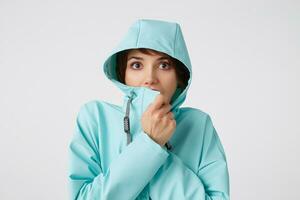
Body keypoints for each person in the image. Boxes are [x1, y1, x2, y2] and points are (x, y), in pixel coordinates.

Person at [68, 19, 230, 200]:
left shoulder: (199, 125)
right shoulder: (95, 117)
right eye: (137, 65)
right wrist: (149, 143)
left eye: (164, 65)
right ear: (123, 73)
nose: (150, 78)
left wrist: (155, 146)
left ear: (179, 77)